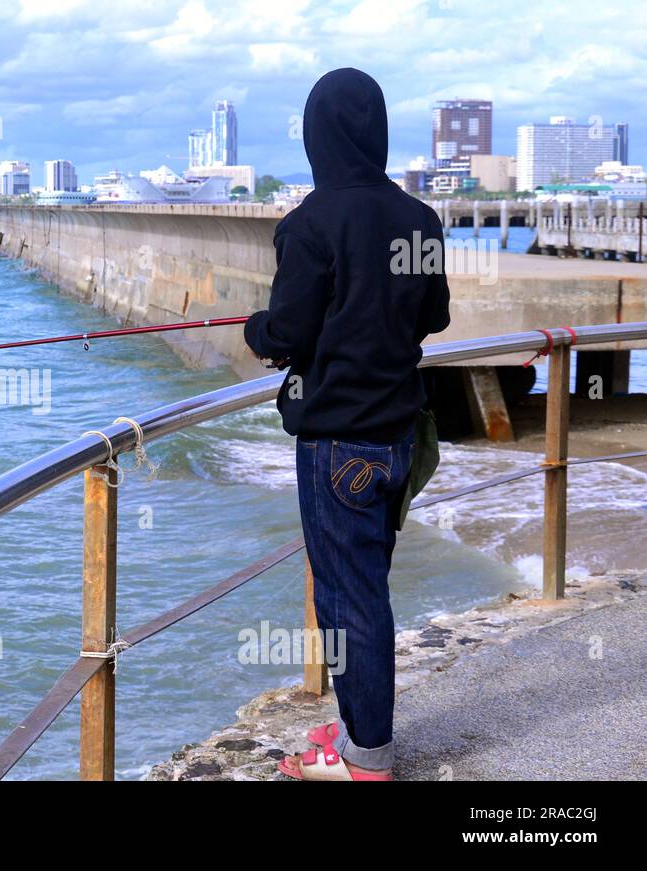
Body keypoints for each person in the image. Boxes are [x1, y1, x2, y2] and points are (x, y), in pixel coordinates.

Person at [243, 68, 451, 781]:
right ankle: (361, 731)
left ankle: (365, 760)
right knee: (367, 592)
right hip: (398, 437)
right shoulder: (420, 221)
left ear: (316, 136)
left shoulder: (308, 224)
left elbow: (287, 331)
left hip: (337, 441)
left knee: (346, 599)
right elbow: (434, 316)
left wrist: (255, 327)